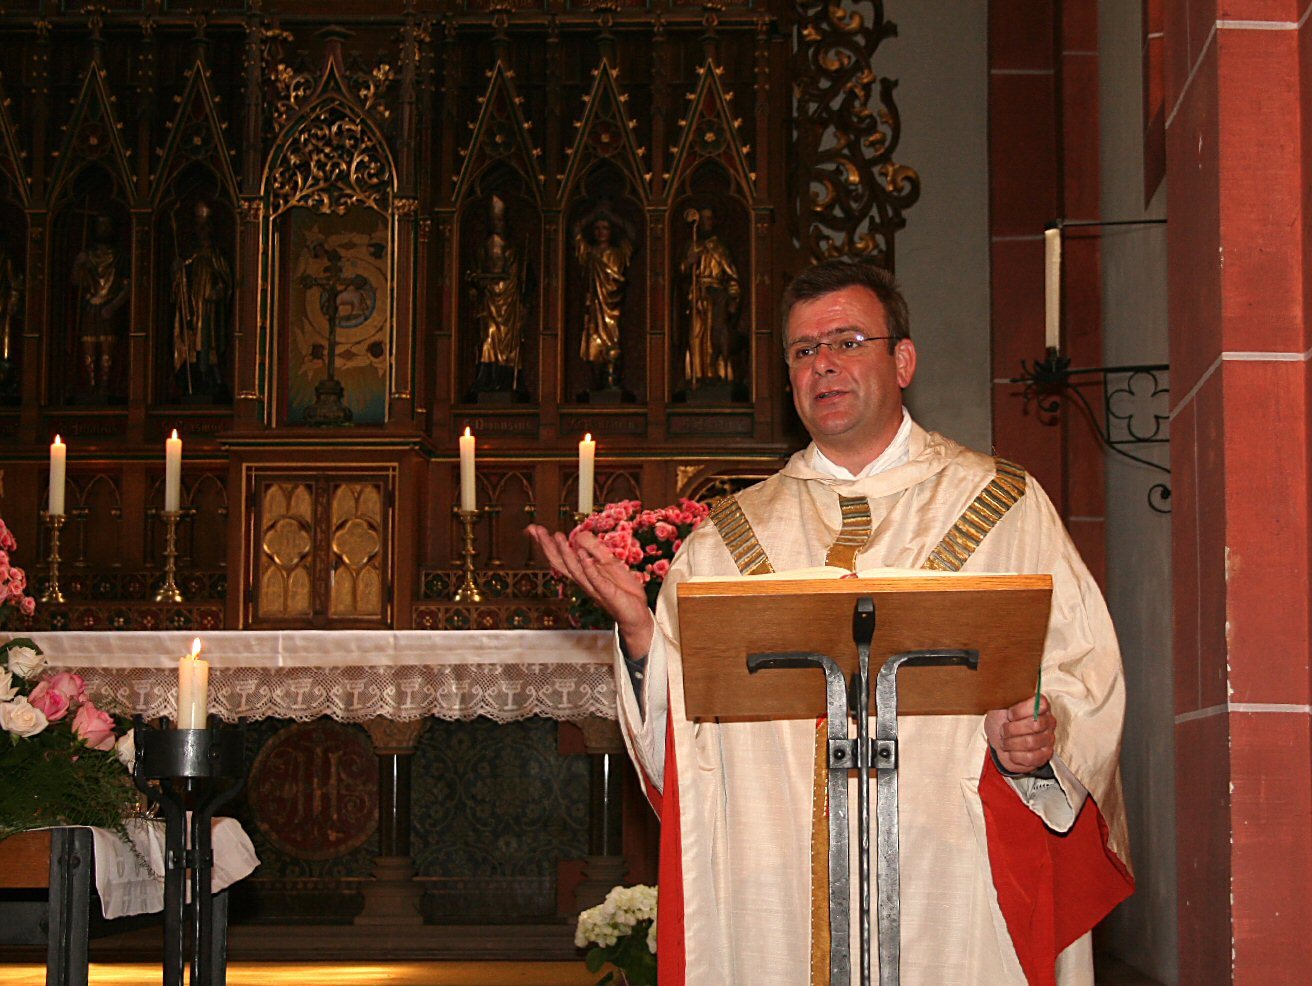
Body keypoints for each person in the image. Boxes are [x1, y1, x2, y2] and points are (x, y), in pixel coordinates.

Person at [528, 257, 1132, 985]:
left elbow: (1081, 672)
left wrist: (1035, 737)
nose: (825, 366)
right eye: (805, 350)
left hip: (954, 866)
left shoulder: (1004, 504)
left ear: (902, 360)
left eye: (847, 341)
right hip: (781, 880)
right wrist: (642, 636)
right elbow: (684, 741)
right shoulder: (731, 536)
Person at [171, 200, 232, 398]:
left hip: (209, 309)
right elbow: (179, 285)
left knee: (208, 342)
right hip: (192, 307)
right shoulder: (190, 256)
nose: (202, 231)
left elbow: (226, 280)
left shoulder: (216, 255)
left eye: (206, 226)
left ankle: (212, 377)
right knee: (192, 341)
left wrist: (219, 291)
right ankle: (195, 378)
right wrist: (178, 273)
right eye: (199, 226)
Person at [469, 193, 526, 394]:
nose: (497, 225)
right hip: (489, 302)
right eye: (494, 221)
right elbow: (476, 275)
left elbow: (514, 277)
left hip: (507, 303)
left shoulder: (512, 250)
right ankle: (486, 377)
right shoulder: (483, 248)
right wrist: (477, 283)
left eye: (500, 220)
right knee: (487, 337)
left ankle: (503, 378)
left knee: (506, 341)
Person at [680, 206, 741, 387]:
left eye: (709, 219)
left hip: (716, 296)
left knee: (716, 336)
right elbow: (680, 274)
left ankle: (716, 375)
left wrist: (733, 298)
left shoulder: (719, 247)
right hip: (697, 295)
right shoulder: (692, 245)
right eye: (703, 219)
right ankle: (697, 376)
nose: (706, 223)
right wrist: (688, 262)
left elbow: (731, 276)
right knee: (696, 336)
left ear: (714, 222)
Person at [71, 212, 130, 399]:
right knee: (89, 346)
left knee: (107, 349)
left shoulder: (120, 257)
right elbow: (76, 282)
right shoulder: (87, 256)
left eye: (107, 225)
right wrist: (78, 265)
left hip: (109, 308)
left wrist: (113, 306)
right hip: (91, 306)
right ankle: (91, 386)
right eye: (100, 225)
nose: (104, 229)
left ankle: (105, 386)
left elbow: (129, 287)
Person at [576, 214, 633, 391]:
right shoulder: (589, 253)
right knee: (593, 344)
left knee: (613, 342)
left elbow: (632, 235)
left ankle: (612, 379)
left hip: (612, 306)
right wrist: (596, 212)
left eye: (605, 228)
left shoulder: (618, 252)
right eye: (597, 228)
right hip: (594, 306)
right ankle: (598, 381)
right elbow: (575, 233)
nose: (601, 232)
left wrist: (611, 215)